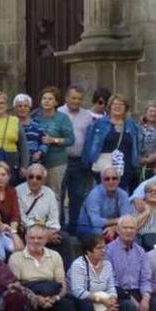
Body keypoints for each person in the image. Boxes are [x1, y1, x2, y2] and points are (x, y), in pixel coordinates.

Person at [8, 225, 83, 311]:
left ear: (46, 239)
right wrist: (35, 298)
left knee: (68, 304)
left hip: (52, 292)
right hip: (30, 292)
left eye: (40, 238)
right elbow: (16, 285)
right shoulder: (16, 258)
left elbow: (62, 283)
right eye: (32, 238)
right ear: (26, 238)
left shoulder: (54, 256)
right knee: (25, 304)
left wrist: (56, 298)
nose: (36, 241)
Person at [16, 163, 79, 267]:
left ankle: (68, 274)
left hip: (47, 229)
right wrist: (42, 234)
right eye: (31, 177)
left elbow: (54, 218)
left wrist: (48, 232)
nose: (34, 180)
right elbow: (22, 218)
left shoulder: (49, 193)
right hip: (26, 230)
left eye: (38, 177)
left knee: (65, 239)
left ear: (44, 180)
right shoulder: (18, 191)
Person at [82, 94, 139, 189]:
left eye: (121, 104)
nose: (117, 106)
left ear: (126, 108)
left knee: (122, 195)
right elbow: (89, 143)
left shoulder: (131, 124)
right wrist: (87, 162)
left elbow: (136, 145)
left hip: (125, 168)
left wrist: (136, 163)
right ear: (109, 106)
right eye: (115, 104)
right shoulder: (99, 124)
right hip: (104, 167)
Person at [59, 86, 95, 233]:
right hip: (60, 160)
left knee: (77, 195)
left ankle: (73, 228)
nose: (76, 101)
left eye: (79, 99)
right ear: (67, 98)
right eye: (73, 98)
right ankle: (59, 226)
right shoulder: (58, 113)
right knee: (59, 195)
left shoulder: (87, 115)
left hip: (79, 161)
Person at [33, 87, 74, 204]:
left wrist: (53, 140)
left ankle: (55, 221)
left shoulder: (62, 118)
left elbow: (71, 140)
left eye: (50, 99)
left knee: (54, 194)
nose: (46, 101)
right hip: (38, 162)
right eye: (44, 98)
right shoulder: (35, 116)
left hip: (56, 162)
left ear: (56, 102)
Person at [77, 167, 133, 237]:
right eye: (107, 179)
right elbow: (95, 222)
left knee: (130, 231)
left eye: (114, 178)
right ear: (102, 181)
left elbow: (127, 218)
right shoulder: (94, 194)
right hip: (88, 226)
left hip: (111, 225)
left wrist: (114, 227)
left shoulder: (123, 194)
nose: (111, 181)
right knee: (99, 232)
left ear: (119, 180)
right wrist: (118, 221)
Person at [13, 93, 47, 182]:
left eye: (26, 106)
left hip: (33, 163)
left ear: (30, 108)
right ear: (15, 108)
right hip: (15, 163)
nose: (23, 108)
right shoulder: (11, 124)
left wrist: (40, 152)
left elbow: (45, 141)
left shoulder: (37, 125)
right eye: (19, 106)